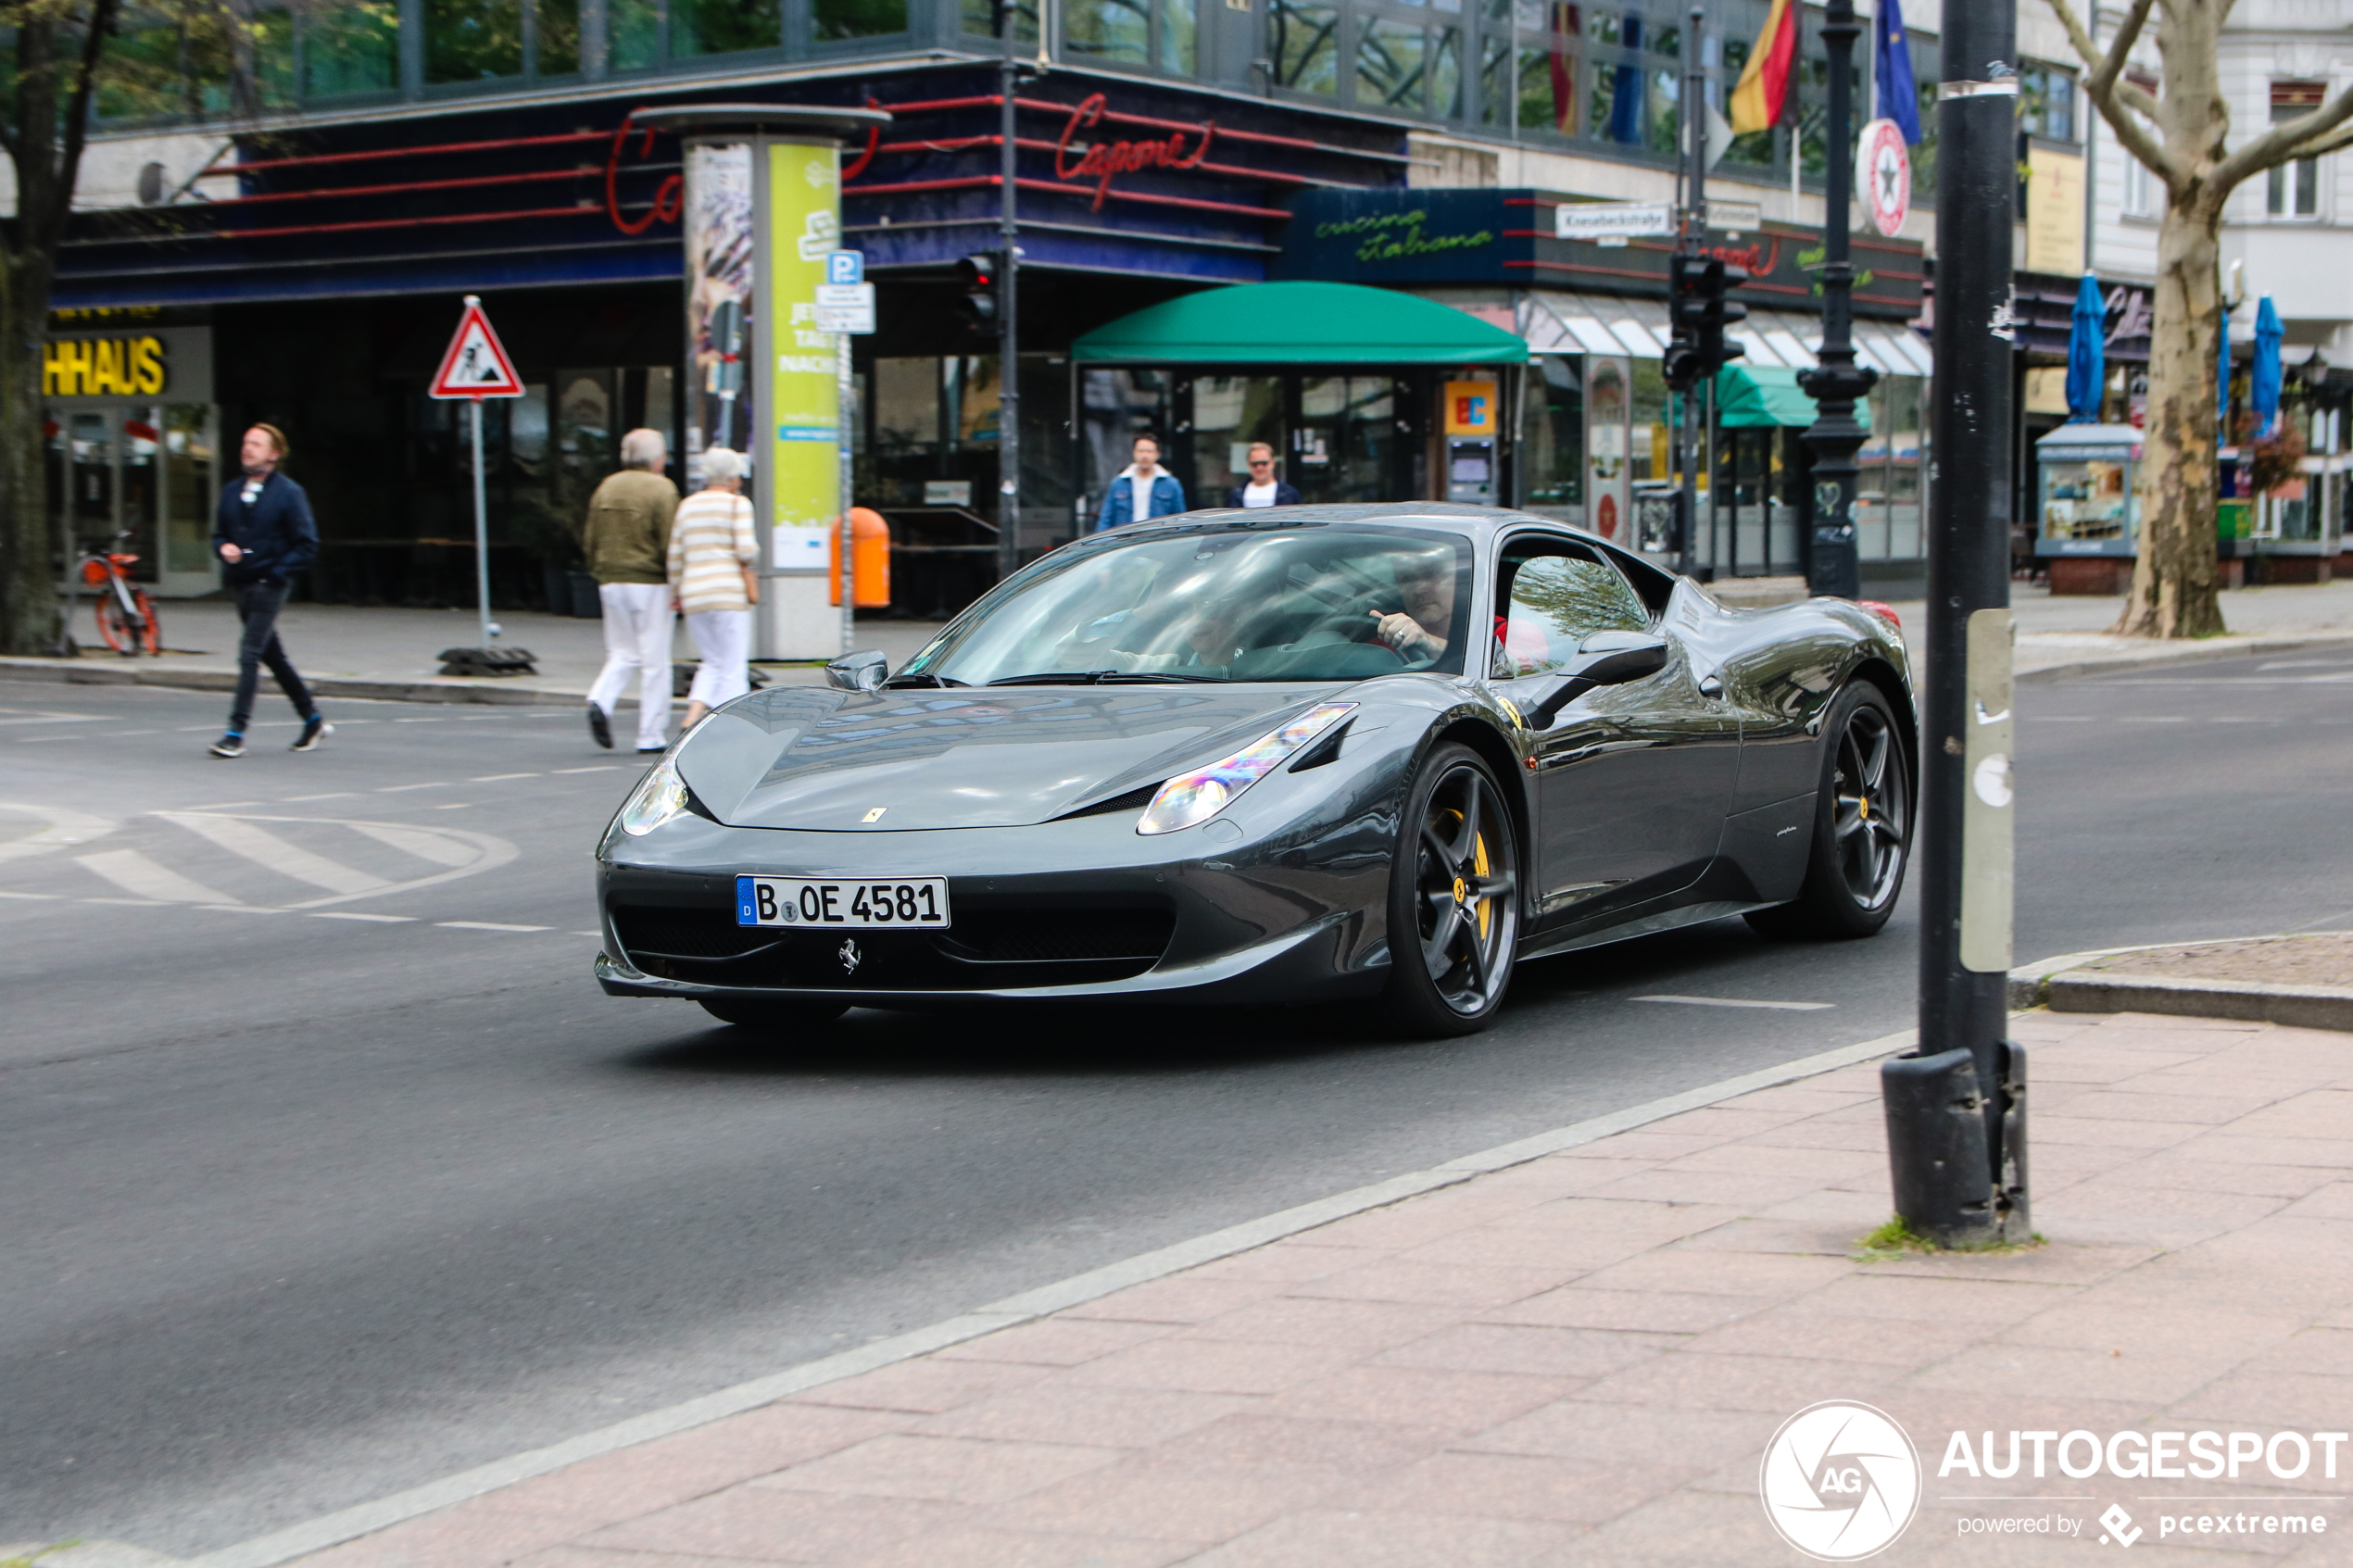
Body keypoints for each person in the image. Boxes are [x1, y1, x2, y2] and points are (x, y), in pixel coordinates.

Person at [208, 423, 327, 759]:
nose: (247, 449)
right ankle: (312, 719)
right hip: (241, 584)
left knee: (249, 654)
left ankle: (235, 732)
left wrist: (276, 574)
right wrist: (224, 548)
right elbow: (218, 534)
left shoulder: (289, 493)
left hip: (270, 585)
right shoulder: (232, 491)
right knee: (273, 657)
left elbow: (307, 544)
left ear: (273, 454)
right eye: (246, 443)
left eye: (256, 444)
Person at [583, 428, 681, 752]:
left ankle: (601, 698)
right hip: (650, 581)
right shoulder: (662, 488)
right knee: (654, 660)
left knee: (623, 652)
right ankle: (650, 735)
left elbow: (590, 537)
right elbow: (670, 541)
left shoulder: (607, 487)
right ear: (655, 459)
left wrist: (598, 569)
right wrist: (678, 583)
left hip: (611, 579)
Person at [668, 446, 759, 732]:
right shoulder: (738, 504)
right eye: (739, 476)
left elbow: (675, 554)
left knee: (711, 661)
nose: (740, 482)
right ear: (731, 477)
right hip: (727, 592)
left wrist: (676, 592)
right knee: (733, 664)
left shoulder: (688, 505)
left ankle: (692, 715)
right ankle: (733, 725)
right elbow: (746, 550)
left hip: (694, 594)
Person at [1368, 548, 1458, 665]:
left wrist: (1431, 643)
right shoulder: (1380, 652)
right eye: (1407, 579)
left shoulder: (1485, 633)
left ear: (1460, 580)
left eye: (1432, 574)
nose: (1418, 590)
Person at [1093, 434, 1186, 531]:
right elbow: (1106, 518)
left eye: (1149, 451)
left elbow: (1179, 520)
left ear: (1157, 454)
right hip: (1126, 540)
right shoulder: (1119, 483)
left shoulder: (1171, 484)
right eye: (1141, 451)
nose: (1144, 456)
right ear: (1134, 453)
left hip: (1158, 541)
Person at [1225, 443, 1302, 508]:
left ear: (1273, 463)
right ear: (1248, 465)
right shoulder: (1236, 495)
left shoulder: (1289, 494)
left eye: (1264, 463)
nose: (1259, 468)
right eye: (1255, 464)